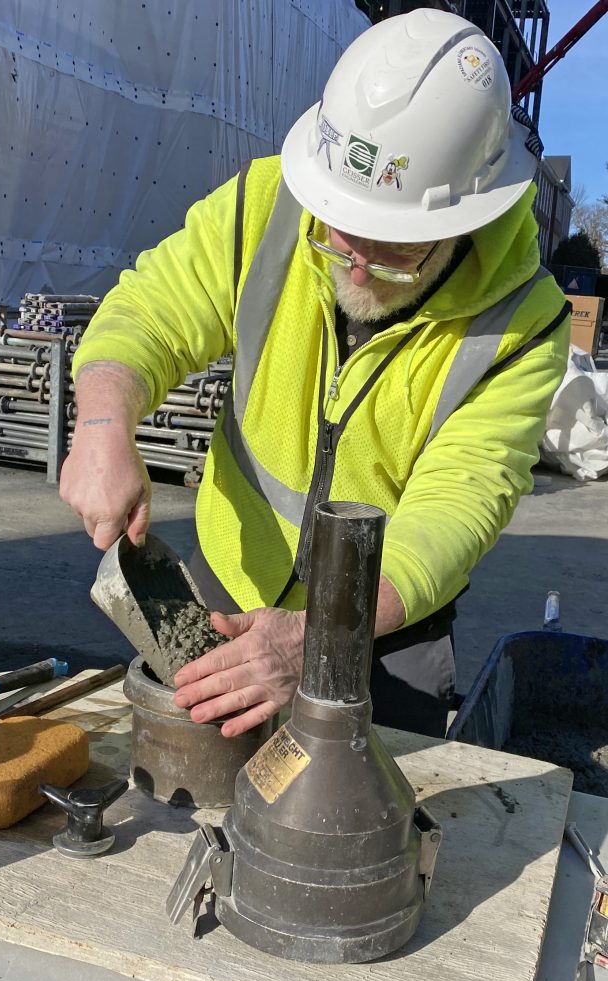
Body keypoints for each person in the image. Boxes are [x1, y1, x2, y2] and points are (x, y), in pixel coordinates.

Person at [60, 9, 570, 740]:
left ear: (466, 218)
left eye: (394, 250)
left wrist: (324, 635)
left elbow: (457, 507)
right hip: (228, 589)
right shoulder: (265, 208)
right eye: (341, 233)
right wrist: (104, 423)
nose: (357, 266)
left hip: (385, 632)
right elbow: (150, 311)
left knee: (368, 829)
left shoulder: (524, 322)